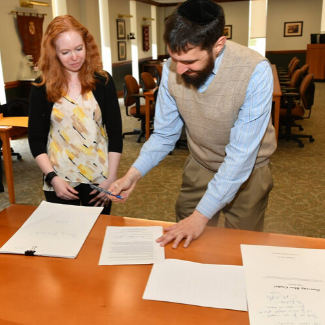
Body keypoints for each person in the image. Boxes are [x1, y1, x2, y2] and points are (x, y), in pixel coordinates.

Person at [108, 0, 276, 245]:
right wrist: (133, 175)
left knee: (238, 246)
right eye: (174, 58)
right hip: (201, 163)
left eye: (189, 62)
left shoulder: (255, 70)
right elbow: (165, 134)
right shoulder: (171, 69)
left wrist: (201, 216)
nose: (179, 69)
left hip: (250, 171)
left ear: (218, 45)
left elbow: (241, 156)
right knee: (184, 239)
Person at [28, 15, 123, 214]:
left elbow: (115, 134)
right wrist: (52, 178)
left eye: (79, 49)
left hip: (100, 179)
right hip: (60, 179)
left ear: (87, 46)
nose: (74, 57)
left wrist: (111, 178)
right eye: (65, 52)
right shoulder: (41, 87)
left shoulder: (103, 81)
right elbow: (36, 140)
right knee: (64, 239)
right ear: (53, 52)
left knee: (97, 238)